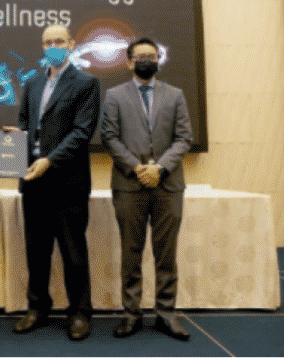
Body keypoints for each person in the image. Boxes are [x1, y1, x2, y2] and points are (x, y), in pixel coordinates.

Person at [4, 23, 101, 341]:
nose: (53, 47)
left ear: (71, 44)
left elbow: (82, 132)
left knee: (73, 252)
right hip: (34, 180)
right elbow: (25, 121)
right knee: (37, 251)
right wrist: (18, 137)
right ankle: (37, 309)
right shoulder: (32, 83)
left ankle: (80, 313)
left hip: (67, 182)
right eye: (47, 42)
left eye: (59, 41)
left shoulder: (86, 83)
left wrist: (50, 160)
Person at [100, 37, 193, 341]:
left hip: (168, 185)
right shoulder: (114, 96)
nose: (146, 61)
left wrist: (160, 168)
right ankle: (131, 314)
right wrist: (138, 168)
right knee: (131, 253)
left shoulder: (175, 95)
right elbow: (109, 137)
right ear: (129, 62)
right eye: (140, 56)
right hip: (129, 185)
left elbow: (184, 138)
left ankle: (166, 314)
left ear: (158, 61)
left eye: (151, 56)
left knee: (166, 255)